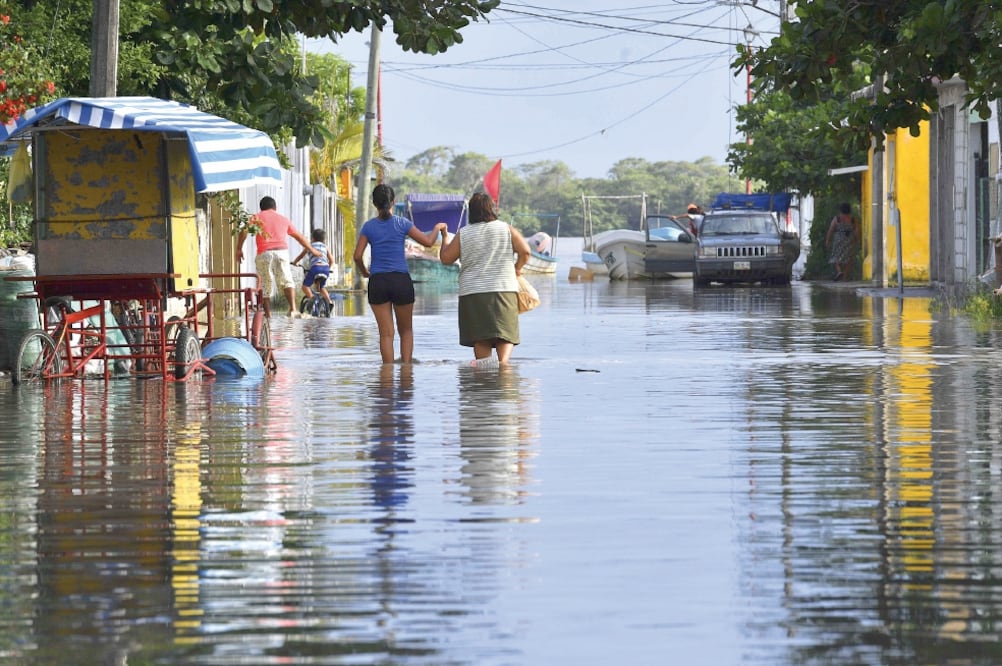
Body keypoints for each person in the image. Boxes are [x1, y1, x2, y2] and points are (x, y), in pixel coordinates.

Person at [353, 184, 447, 364]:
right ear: (393, 202)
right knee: (406, 331)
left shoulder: (369, 227)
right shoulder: (402, 223)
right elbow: (428, 242)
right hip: (400, 281)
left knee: (386, 334)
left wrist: (365, 272)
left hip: (378, 282)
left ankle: (387, 375)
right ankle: (406, 371)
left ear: (374, 204)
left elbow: (357, 255)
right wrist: (437, 227)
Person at [439, 192, 532, 367]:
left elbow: (446, 258)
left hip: (472, 293)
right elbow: (525, 251)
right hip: (503, 289)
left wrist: (444, 238)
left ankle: (484, 374)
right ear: (492, 209)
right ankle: (503, 366)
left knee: (481, 338)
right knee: (505, 334)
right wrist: (517, 269)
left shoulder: (464, 233)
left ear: (471, 212)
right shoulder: (506, 228)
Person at [236, 196, 319, 317]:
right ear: (275, 207)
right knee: (287, 281)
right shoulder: (283, 219)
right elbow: (299, 237)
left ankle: (268, 315)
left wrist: (239, 249)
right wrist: (312, 250)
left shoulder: (256, 217)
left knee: (266, 283)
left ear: (261, 208)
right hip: (282, 253)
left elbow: (243, 231)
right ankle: (293, 309)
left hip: (264, 253)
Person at [293, 228, 335, 309]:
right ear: (323, 239)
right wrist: (327, 268)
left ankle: (312, 298)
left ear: (312, 238)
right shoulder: (325, 247)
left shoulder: (310, 246)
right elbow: (332, 260)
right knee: (322, 287)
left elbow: (300, 256)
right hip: (325, 268)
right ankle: (329, 301)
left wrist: (295, 262)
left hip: (315, 267)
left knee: (305, 286)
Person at [825, 202, 860, 281]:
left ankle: (839, 271)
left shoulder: (837, 219)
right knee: (848, 258)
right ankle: (845, 277)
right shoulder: (853, 219)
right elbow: (857, 231)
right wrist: (856, 240)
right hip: (849, 240)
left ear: (841, 210)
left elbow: (831, 230)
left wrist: (828, 240)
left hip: (838, 239)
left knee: (835, 256)